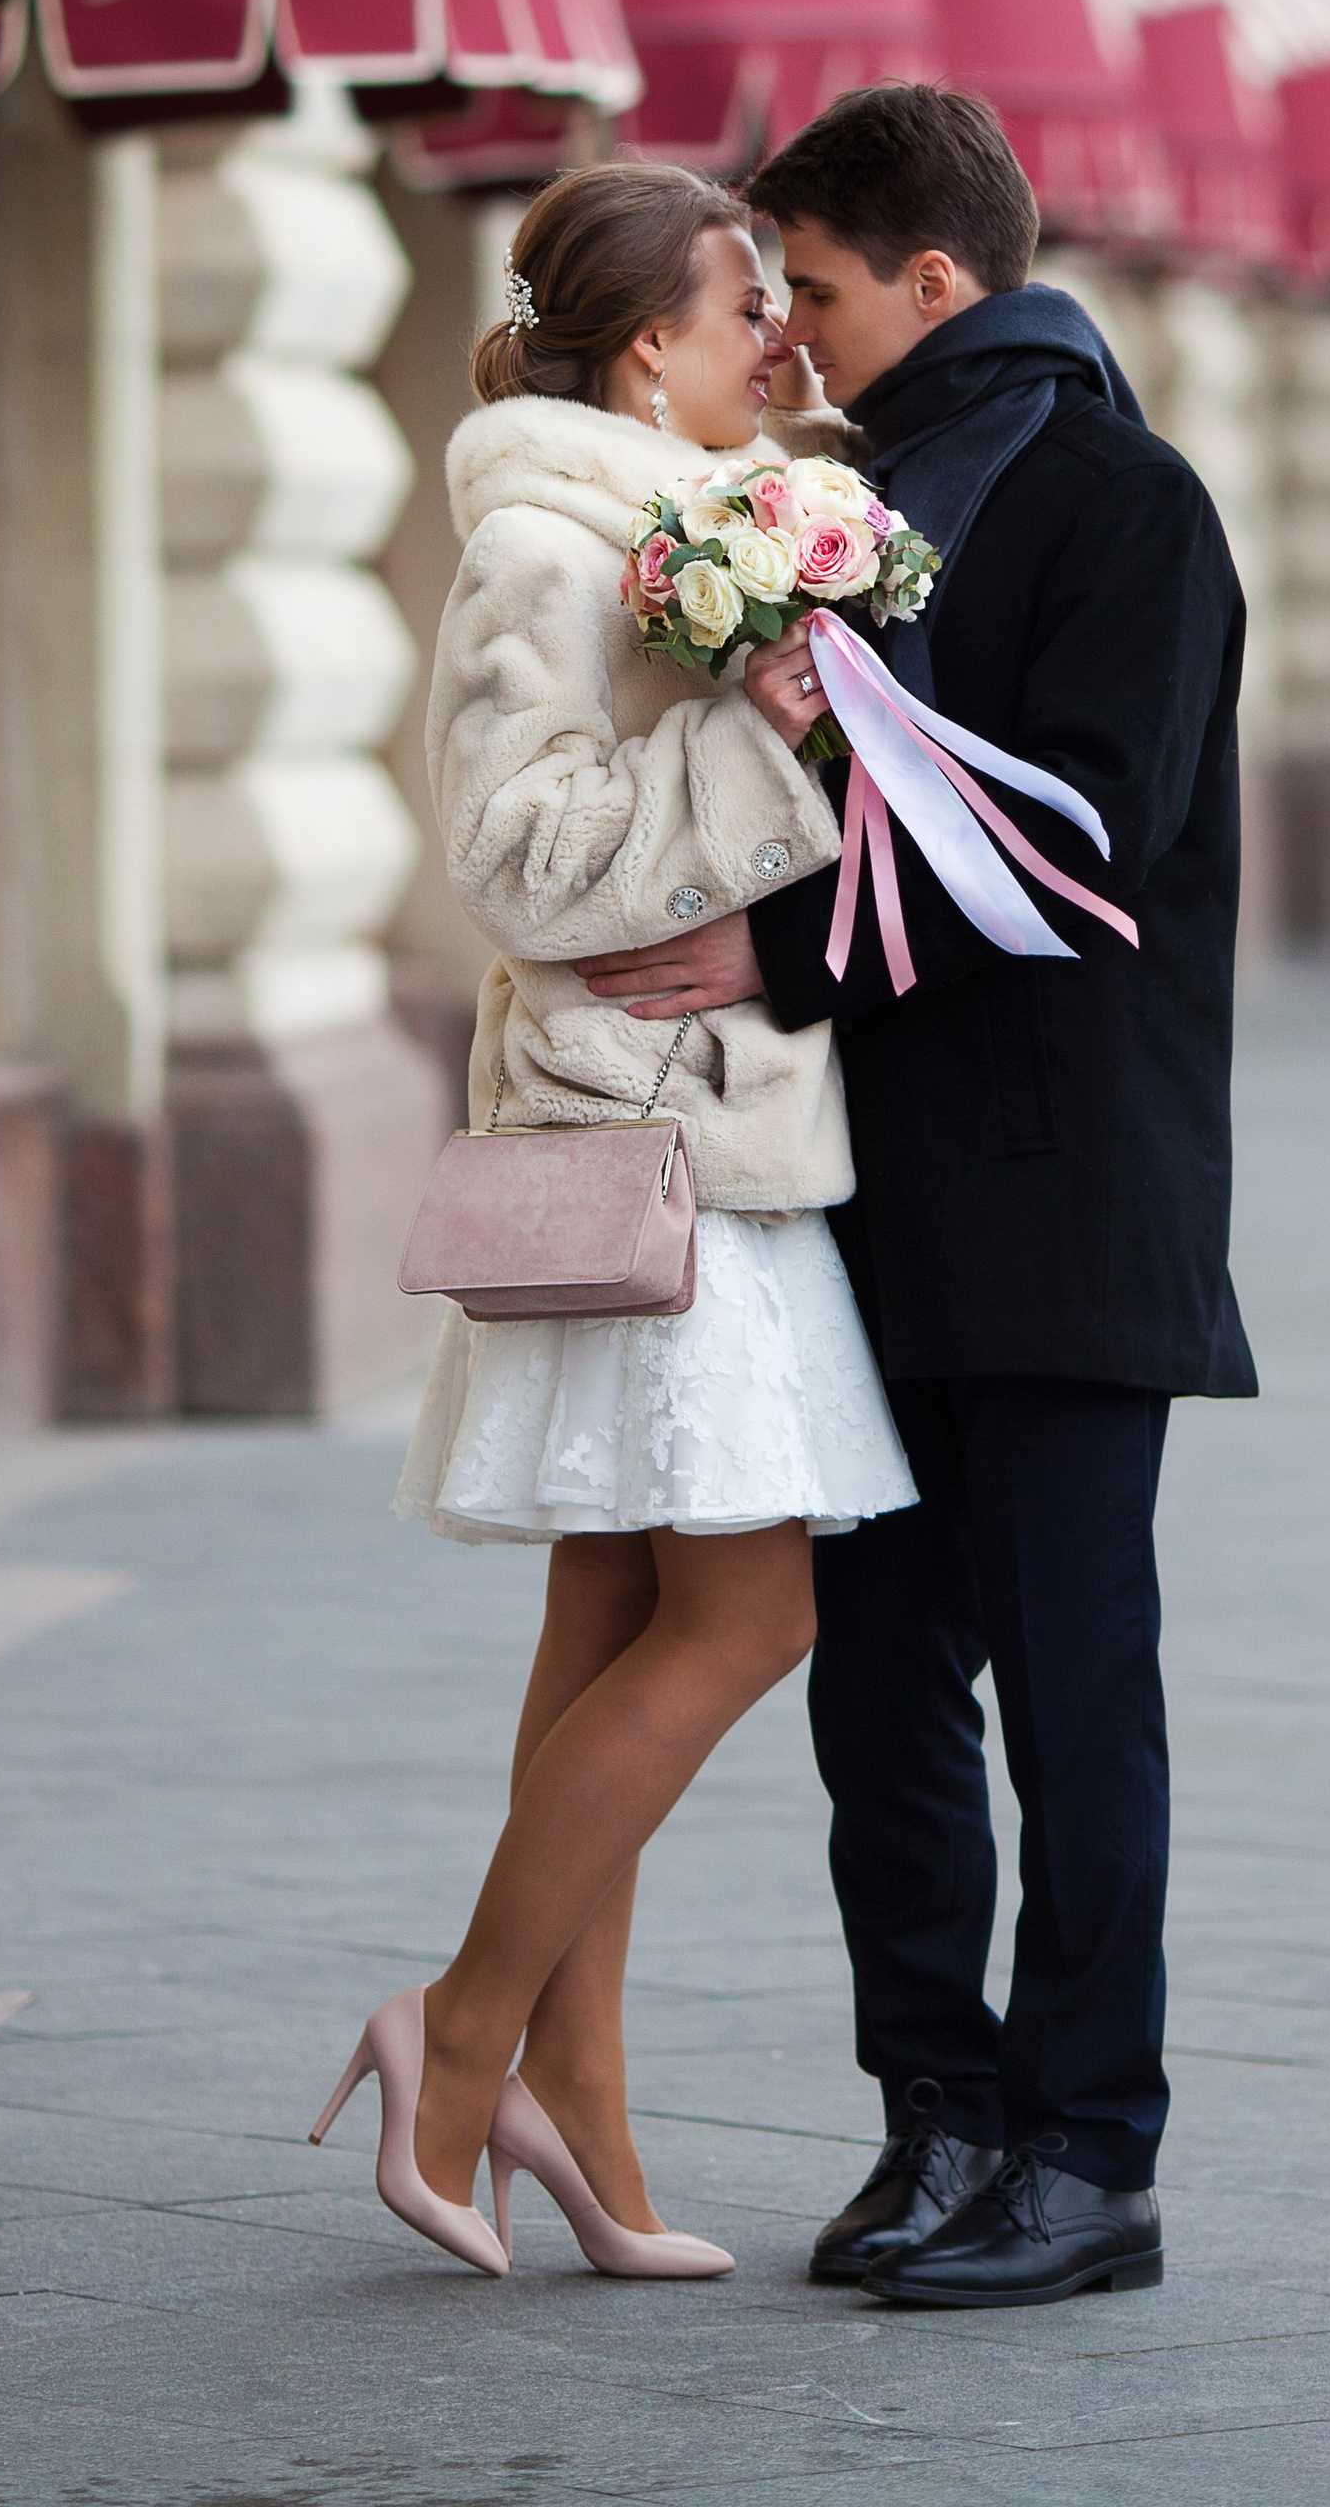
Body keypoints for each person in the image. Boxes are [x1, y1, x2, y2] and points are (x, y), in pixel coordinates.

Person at [576, 81, 1254, 2311]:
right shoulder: (846, 506)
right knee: (880, 1691)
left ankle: (1090, 2159)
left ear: (937, 283)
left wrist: (767, 953)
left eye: (825, 290)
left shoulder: (1117, 504)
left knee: (1074, 1695)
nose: (794, 332)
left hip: (1064, 1197)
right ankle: (936, 2123)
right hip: (866, 1191)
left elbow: (1078, 852)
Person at [313, 159, 917, 2282]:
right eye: (740, 303)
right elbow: (514, 860)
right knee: (752, 1620)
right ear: (641, 343)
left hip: (709, 1130)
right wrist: (753, 758)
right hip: (639, 1149)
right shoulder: (538, 546)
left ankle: (583, 2113)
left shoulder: (693, 525)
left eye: (779, 299)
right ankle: (457, 2030)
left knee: (602, 1631)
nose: (775, 335)